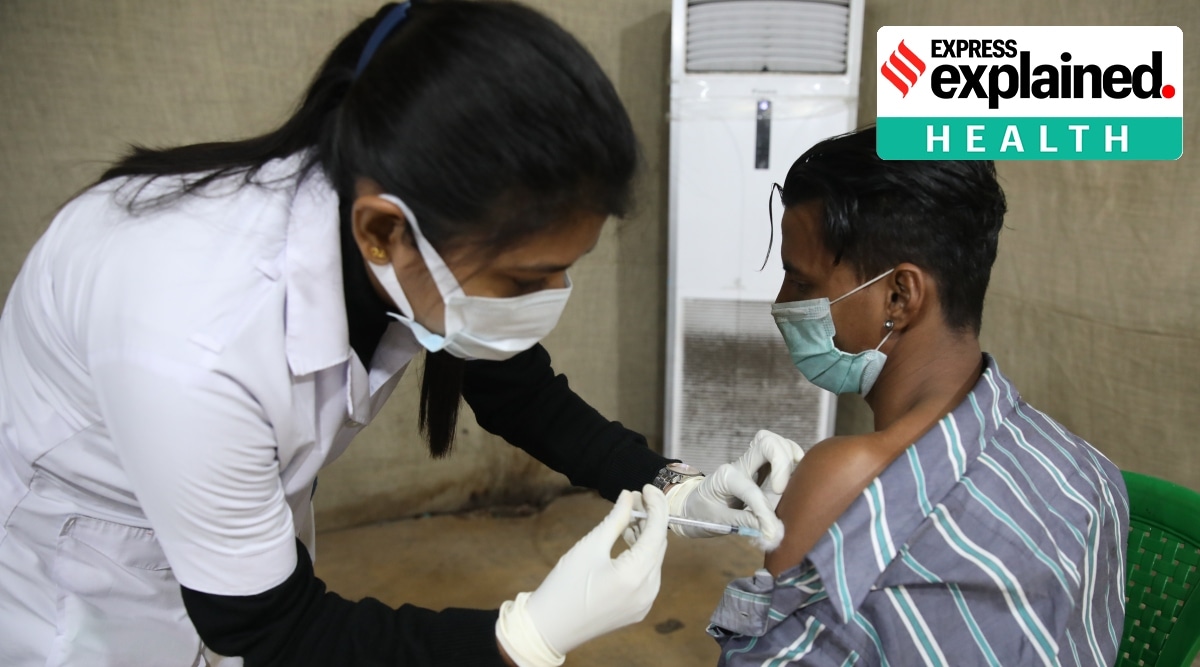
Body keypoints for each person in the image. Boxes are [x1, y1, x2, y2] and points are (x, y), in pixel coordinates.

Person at [0, 2, 802, 666]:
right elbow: (273, 628)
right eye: (524, 281)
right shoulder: (193, 337)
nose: (547, 301)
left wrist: (673, 484)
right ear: (386, 232)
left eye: (566, 269)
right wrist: (521, 634)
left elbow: (519, 388)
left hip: (225, 536)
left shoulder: (396, 230)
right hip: (86, 578)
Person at [706, 127, 1129, 666]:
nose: (781, 303)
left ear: (899, 297)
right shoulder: (1089, 472)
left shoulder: (841, 479)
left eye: (801, 281)